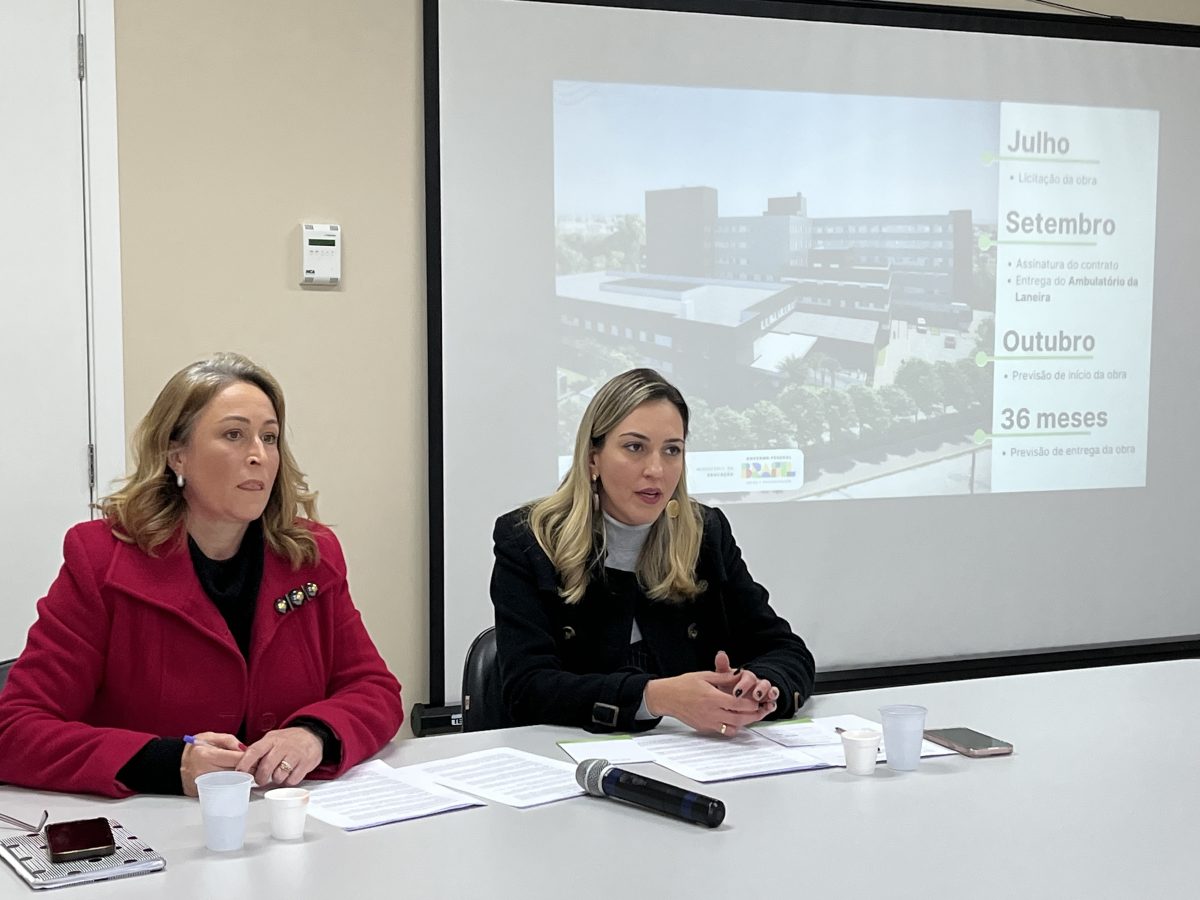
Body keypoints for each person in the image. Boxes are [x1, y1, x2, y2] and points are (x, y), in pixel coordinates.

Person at [0, 352, 403, 798]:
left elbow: (375, 690)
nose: (258, 456)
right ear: (178, 456)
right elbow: (15, 730)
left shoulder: (310, 554)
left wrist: (313, 735)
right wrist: (169, 762)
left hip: (289, 821)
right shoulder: (101, 558)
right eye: (234, 435)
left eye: (269, 438)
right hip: (154, 832)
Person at [491, 368, 815, 735]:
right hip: (573, 756)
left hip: (694, 752)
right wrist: (655, 697)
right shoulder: (529, 538)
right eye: (635, 448)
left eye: (672, 450)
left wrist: (763, 686)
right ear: (593, 458)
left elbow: (786, 650)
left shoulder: (704, 532)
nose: (656, 470)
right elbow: (527, 689)